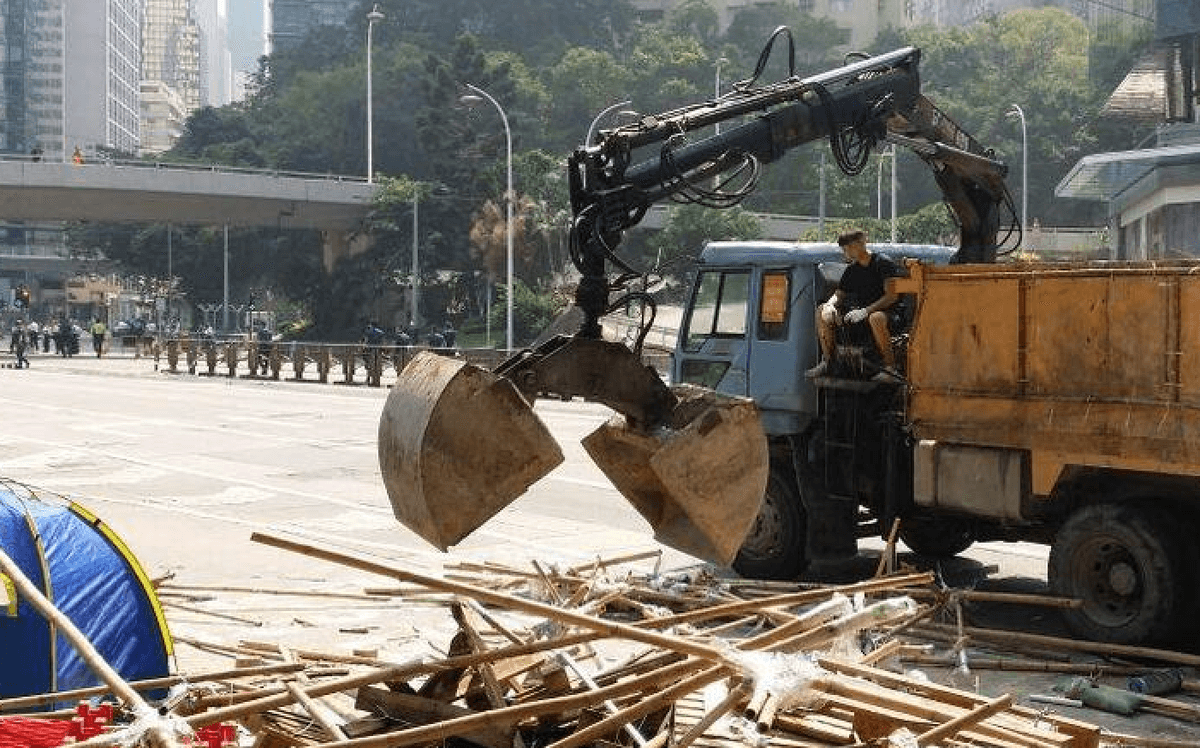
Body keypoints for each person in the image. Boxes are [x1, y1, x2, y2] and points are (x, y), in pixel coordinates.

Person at [806, 229, 901, 382]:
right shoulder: (852, 270)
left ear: (861, 244)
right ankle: (828, 362)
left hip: (889, 314)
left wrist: (865, 311)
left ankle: (891, 367)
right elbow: (839, 294)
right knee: (822, 311)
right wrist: (830, 305)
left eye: (850, 247)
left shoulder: (883, 263)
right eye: (844, 249)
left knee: (875, 317)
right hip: (861, 316)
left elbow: (891, 296)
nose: (847, 252)